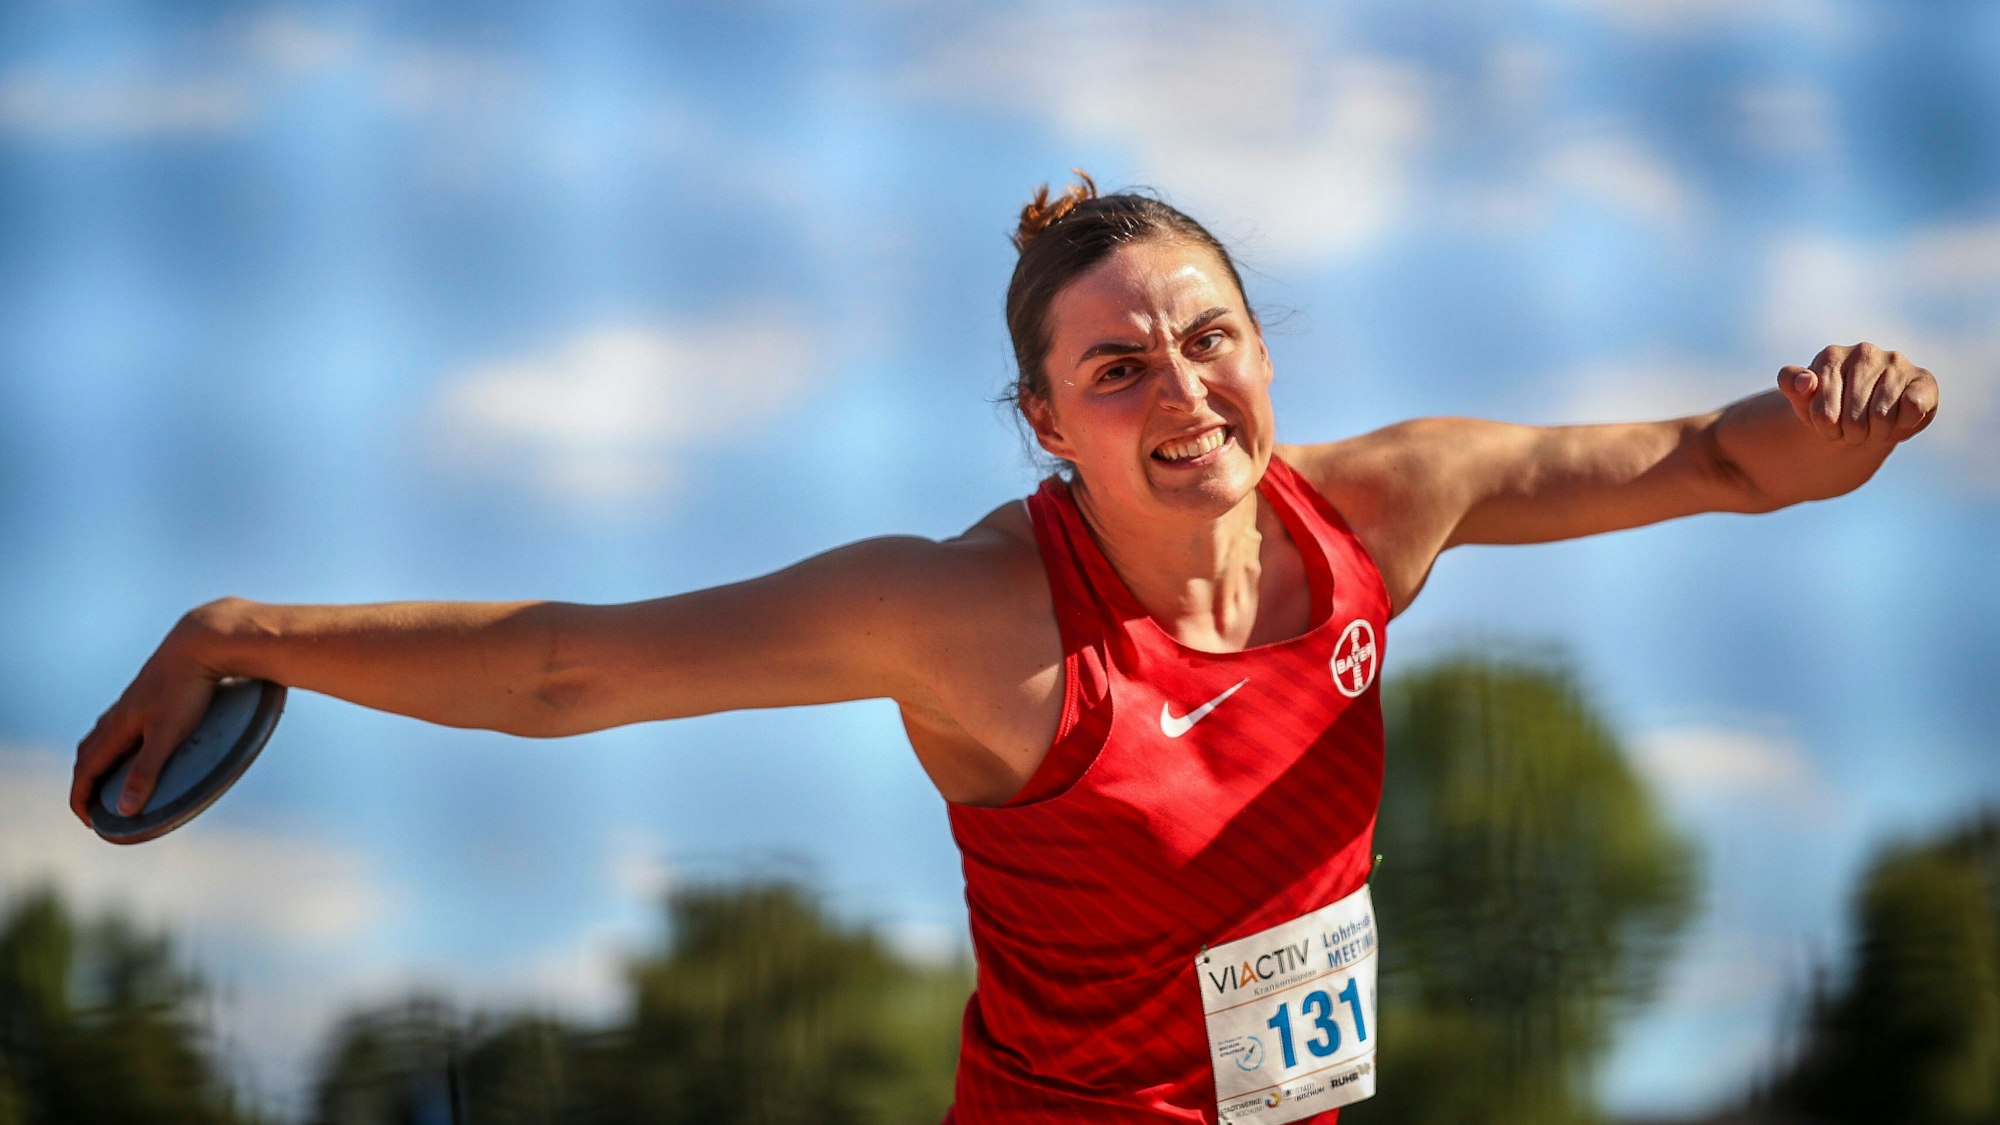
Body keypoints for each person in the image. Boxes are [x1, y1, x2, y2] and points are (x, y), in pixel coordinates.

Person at [70, 173, 1940, 1123]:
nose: (1185, 392)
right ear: (1048, 421)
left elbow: (1711, 458)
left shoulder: (1381, 507)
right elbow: (577, 663)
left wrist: (1836, 425)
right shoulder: (975, 618)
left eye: (1211, 337)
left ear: (1265, 341)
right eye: (1119, 368)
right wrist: (248, 634)